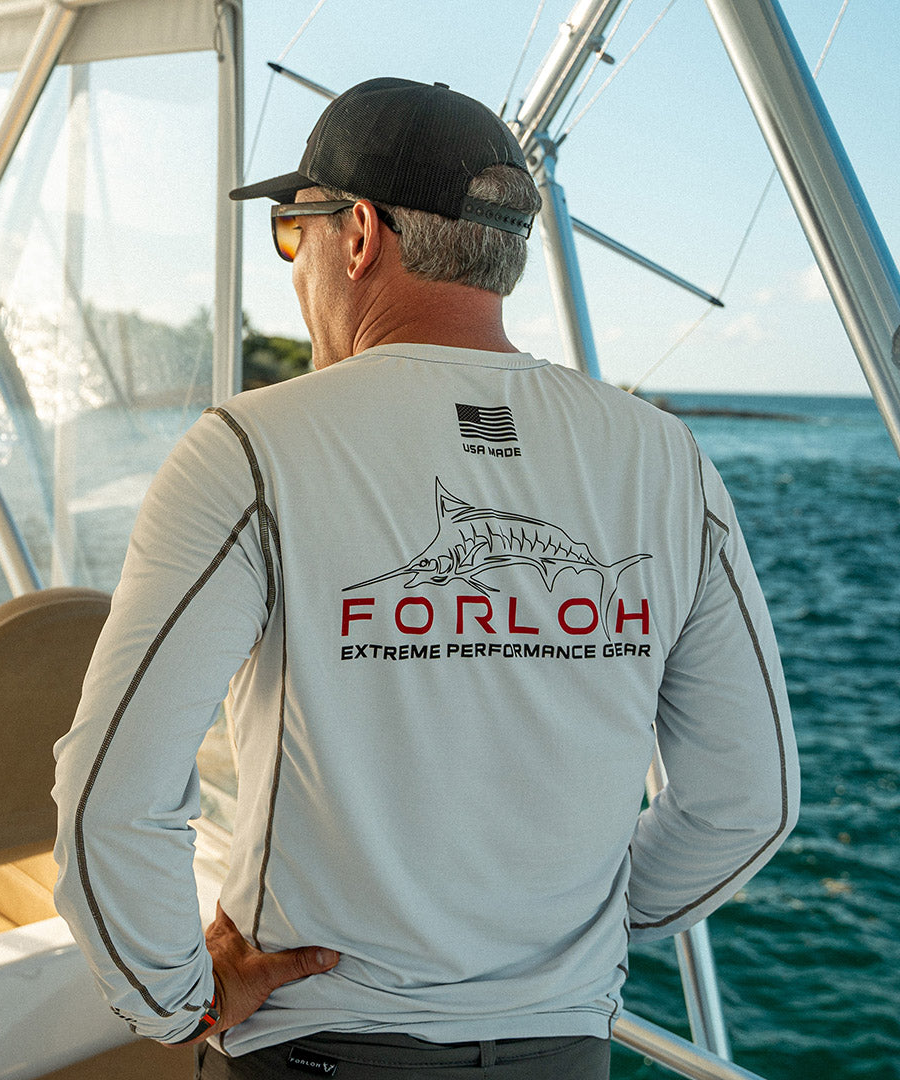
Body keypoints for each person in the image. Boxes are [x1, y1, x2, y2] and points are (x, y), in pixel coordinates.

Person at [53, 78, 799, 1080]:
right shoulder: (667, 458)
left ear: (359, 234)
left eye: (293, 231)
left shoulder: (252, 450)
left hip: (316, 1048)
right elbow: (750, 803)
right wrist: (567, 935)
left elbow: (110, 797)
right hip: (566, 1051)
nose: (294, 266)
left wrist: (180, 999)